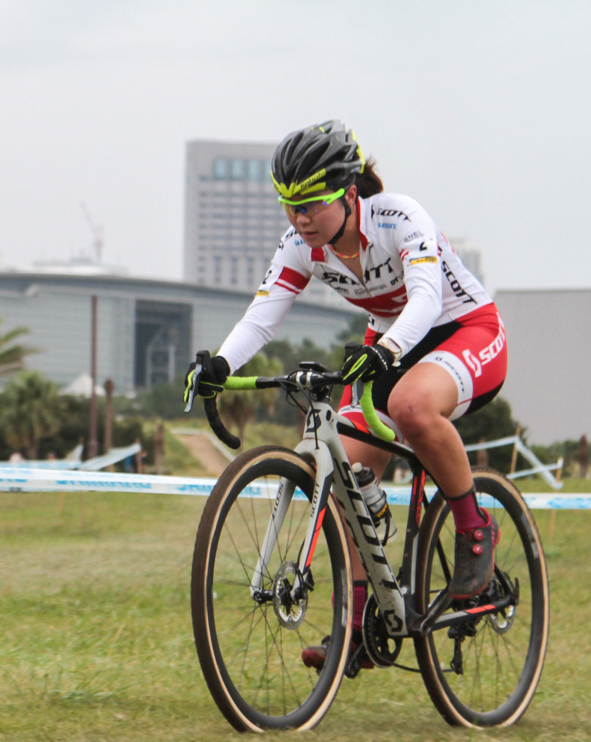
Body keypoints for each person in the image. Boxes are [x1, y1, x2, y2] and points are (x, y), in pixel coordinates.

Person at [185, 120, 507, 669]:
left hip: (464, 329)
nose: (298, 218)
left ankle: (475, 528)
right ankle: (358, 623)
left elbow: (427, 299)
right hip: (389, 342)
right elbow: (262, 317)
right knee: (343, 471)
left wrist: (387, 350)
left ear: (349, 192)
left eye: (310, 204)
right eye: (288, 205)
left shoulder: (399, 218)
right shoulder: (300, 246)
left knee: (409, 406)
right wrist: (221, 362)